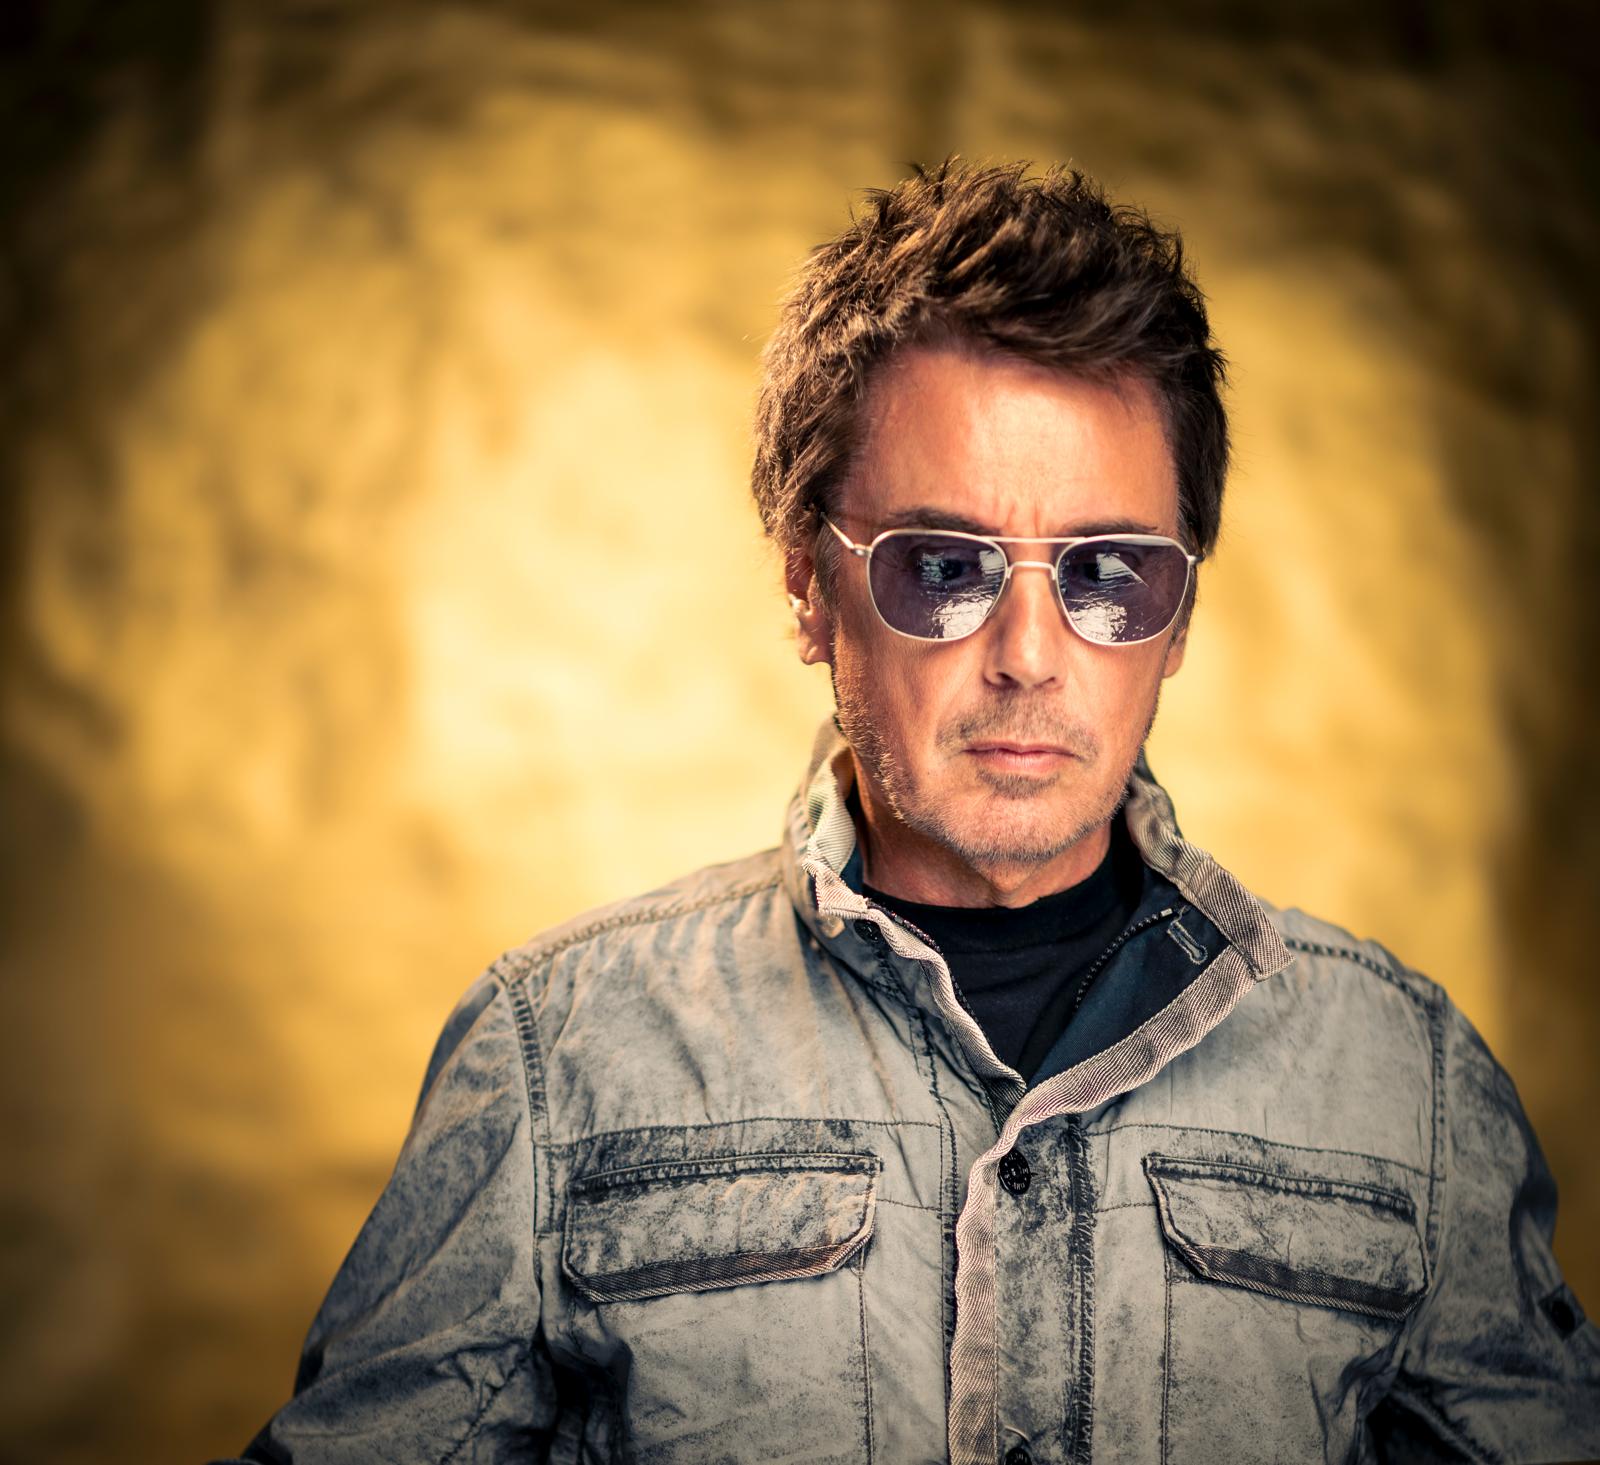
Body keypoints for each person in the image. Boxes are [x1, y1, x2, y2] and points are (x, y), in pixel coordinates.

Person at [231, 161, 1600, 1464]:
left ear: (1180, 616)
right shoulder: (560, 1057)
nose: (1029, 655)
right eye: (944, 566)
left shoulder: (1405, 1081)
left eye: (1109, 574)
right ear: (808, 588)